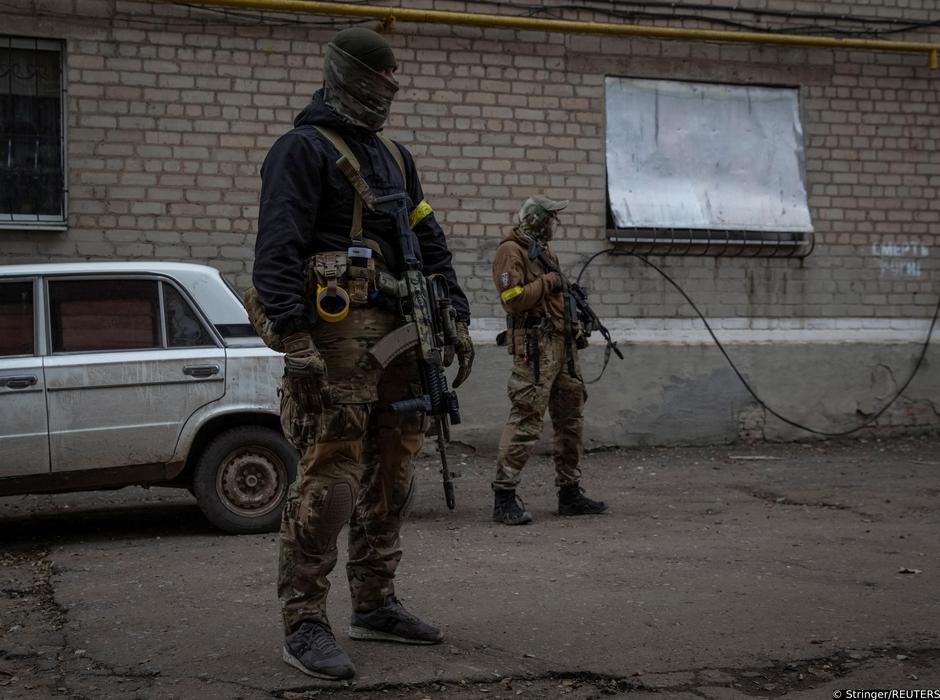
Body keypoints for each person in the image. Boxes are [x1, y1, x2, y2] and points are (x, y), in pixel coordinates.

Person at [250, 27, 473, 681]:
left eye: (396, 74)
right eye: (384, 73)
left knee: (394, 471)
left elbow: (429, 238)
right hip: (337, 336)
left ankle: (374, 604)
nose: (393, 84)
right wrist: (293, 335)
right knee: (332, 478)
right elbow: (277, 248)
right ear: (351, 74)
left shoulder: (396, 158)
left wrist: (454, 311)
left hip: (404, 335)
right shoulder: (301, 150)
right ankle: (304, 623)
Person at [490, 195, 608, 525]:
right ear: (538, 219)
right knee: (527, 417)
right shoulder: (511, 251)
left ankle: (570, 493)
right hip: (535, 347)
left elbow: (553, 296)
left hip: (562, 344)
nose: (555, 224)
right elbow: (513, 300)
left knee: (571, 417)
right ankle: (504, 497)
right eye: (552, 217)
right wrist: (549, 282)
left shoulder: (545, 251)